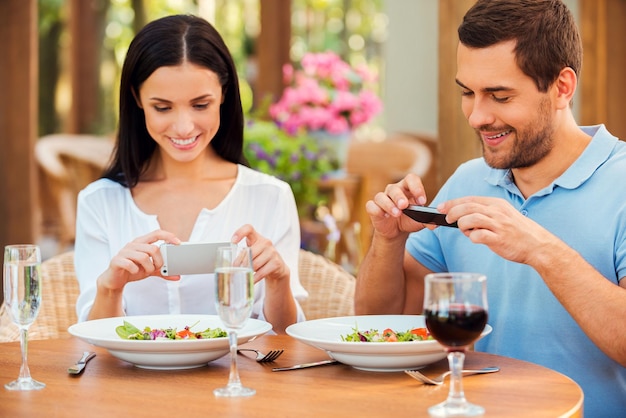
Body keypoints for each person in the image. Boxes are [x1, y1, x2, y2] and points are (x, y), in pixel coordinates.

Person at [354, 0, 626, 415]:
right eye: (468, 92)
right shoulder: (466, 181)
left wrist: (539, 248)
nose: (477, 116)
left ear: (562, 87)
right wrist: (387, 241)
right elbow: (382, 326)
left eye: (499, 96)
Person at [74, 14, 307, 334]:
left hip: (240, 381)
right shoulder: (99, 202)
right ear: (136, 98)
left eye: (200, 105)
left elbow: (286, 340)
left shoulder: (269, 197)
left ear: (223, 95)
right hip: (133, 382)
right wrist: (110, 288)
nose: (184, 128)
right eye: (163, 107)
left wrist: (280, 280)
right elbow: (93, 344)